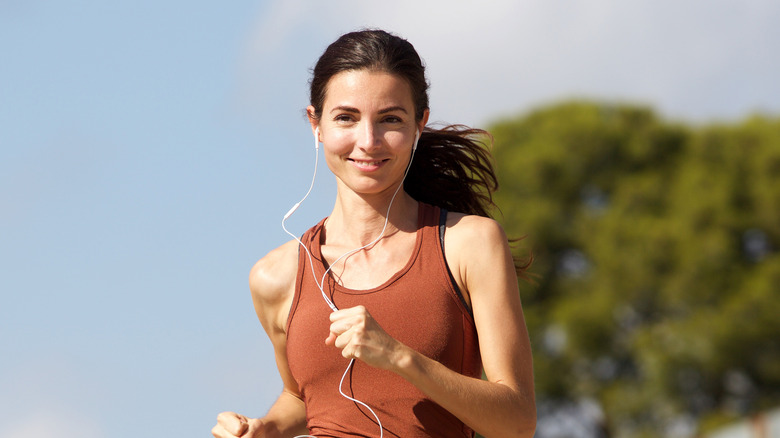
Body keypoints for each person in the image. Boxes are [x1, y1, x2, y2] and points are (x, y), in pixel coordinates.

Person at [212, 29, 536, 438]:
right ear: (316, 124)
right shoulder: (275, 277)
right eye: (346, 117)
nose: (368, 141)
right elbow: (301, 397)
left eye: (390, 120)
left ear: (420, 122)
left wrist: (401, 358)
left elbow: (518, 421)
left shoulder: (468, 244)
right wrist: (264, 428)